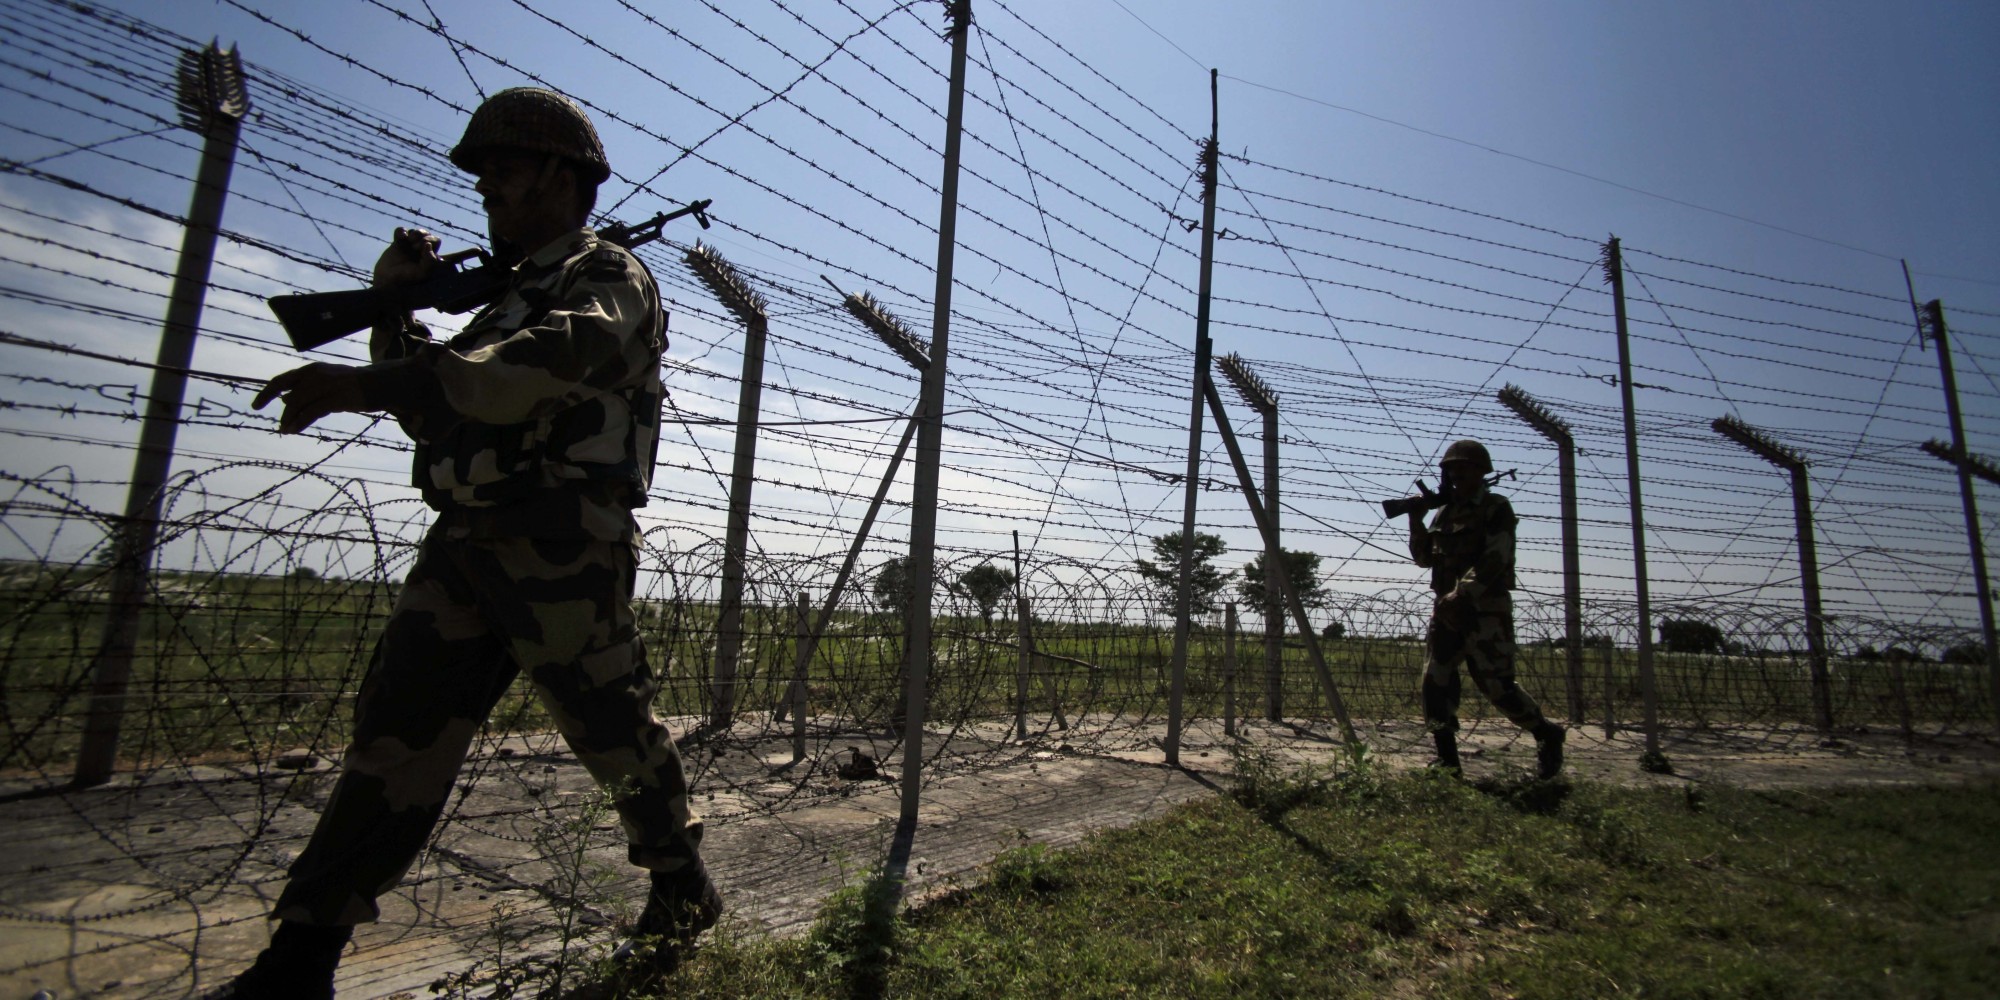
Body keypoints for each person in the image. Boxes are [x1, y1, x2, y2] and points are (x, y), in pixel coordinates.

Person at [209, 88, 718, 999]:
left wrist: (367, 381)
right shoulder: (504, 299)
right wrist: (395, 310)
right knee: (394, 742)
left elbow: (518, 378)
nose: (486, 190)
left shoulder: (606, 277)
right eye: (482, 175)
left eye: (505, 172)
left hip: (558, 538)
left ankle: (681, 883)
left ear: (562, 178)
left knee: (609, 733)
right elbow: (438, 410)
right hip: (466, 541)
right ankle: (299, 959)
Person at [1407, 439, 1566, 779]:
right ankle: (1448, 762)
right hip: (1446, 613)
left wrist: (1462, 593)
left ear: (1481, 472)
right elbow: (1423, 559)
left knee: (1497, 687)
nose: (1457, 474)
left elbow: (1497, 556)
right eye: (1452, 468)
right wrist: (1416, 520)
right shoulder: (1444, 512)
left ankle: (1545, 733)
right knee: (1435, 683)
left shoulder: (1496, 507)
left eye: (1465, 468)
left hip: (1484, 610)